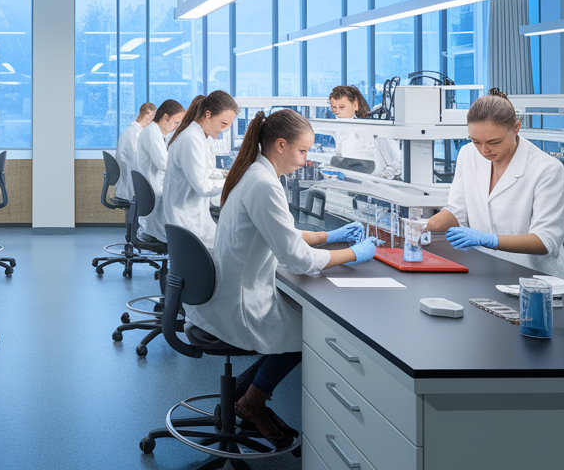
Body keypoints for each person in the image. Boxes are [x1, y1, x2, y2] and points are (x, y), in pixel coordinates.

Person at [185, 109, 379, 449]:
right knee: (310, 328)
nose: (305, 161)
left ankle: (246, 396)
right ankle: (251, 401)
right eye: (302, 151)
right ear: (280, 145)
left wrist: (330, 236)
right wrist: (356, 254)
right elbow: (298, 260)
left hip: (228, 293)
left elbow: (282, 233)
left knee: (294, 321)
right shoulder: (264, 184)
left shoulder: (255, 173)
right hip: (238, 304)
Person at [426, 89, 564, 280]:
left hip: (538, 278)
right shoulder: (468, 154)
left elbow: (546, 241)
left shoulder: (547, 169)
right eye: (476, 141)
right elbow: (458, 211)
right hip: (489, 271)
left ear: (516, 128)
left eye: (494, 142)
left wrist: (491, 240)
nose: (484, 150)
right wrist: (424, 226)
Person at [140, 91, 238, 249]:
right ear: (208, 115)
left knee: (228, 242)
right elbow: (203, 186)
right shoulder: (191, 139)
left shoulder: (197, 136)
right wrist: (233, 181)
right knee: (230, 246)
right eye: (223, 124)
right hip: (184, 219)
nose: (224, 130)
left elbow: (203, 172)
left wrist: (226, 174)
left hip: (189, 214)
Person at [327, 85, 402, 179]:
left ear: (355, 105)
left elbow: (398, 161)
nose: (337, 112)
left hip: (375, 186)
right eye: (334, 107)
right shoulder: (339, 132)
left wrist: (382, 178)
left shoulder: (372, 130)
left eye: (342, 107)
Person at [134, 99, 184, 201]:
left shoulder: (159, 132)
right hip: (153, 191)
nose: (176, 127)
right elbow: (163, 163)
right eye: (176, 122)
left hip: (155, 186)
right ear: (166, 117)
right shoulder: (152, 133)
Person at [115, 103, 156, 202]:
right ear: (149, 114)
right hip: (129, 186)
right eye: (153, 116)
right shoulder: (133, 133)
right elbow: (137, 160)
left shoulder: (135, 131)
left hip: (131, 180)